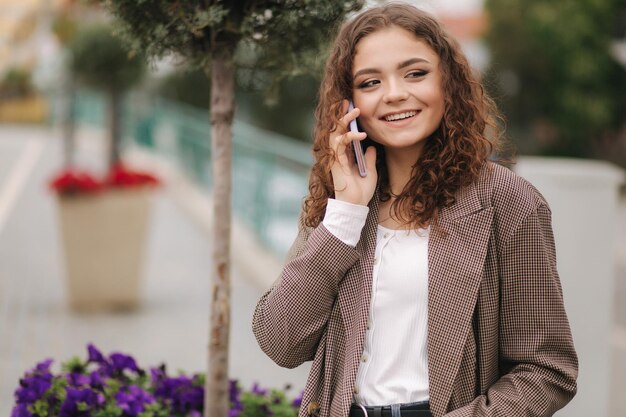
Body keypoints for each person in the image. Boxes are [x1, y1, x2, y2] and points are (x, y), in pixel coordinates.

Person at [252, 3, 578, 417]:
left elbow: (546, 370)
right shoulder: (339, 201)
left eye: (415, 73)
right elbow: (280, 341)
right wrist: (345, 215)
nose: (393, 94)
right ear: (348, 104)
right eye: (370, 82)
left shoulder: (508, 201)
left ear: (449, 81)